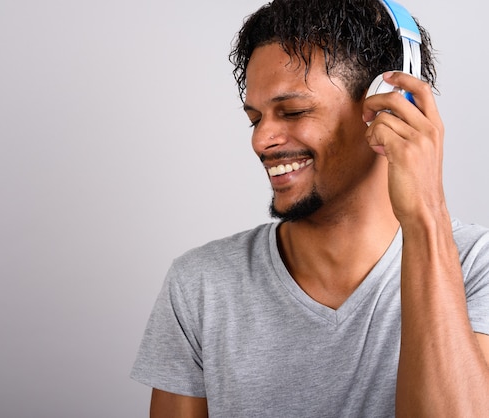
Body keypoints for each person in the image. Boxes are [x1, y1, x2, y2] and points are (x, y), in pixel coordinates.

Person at [131, 0, 489, 416]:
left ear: (388, 107)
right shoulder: (201, 284)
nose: (260, 140)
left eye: (293, 111)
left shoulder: (475, 267)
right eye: (255, 118)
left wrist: (425, 217)